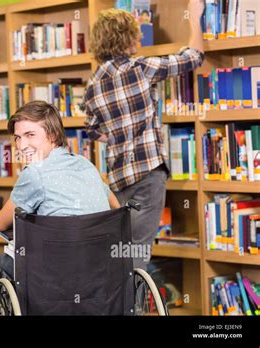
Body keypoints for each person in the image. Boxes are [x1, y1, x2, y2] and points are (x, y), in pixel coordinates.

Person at [84, 0, 205, 269]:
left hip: (117, 179)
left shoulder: (93, 82)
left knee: (121, 247)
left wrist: (121, 136)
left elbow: (91, 129)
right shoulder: (141, 68)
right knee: (139, 251)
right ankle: (131, 307)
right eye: (135, 33)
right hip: (148, 173)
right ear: (125, 38)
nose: (139, 37)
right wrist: (195, 19)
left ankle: (118, 303)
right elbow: (194, 57)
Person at [0, 101, 120, 277]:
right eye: (17, 137)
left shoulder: (34, 174)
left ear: (52, 135)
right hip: (100, 265)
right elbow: (115, 205)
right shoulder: (86, 164)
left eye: (30, 135)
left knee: (3, 262)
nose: (21, 146)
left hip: (54, 271)